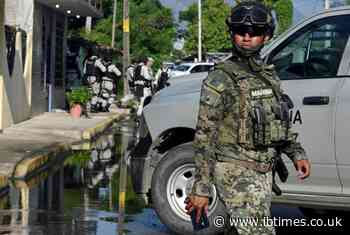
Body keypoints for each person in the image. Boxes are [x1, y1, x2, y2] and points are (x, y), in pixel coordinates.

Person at [185, 2, 311, 235]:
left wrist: (296, 153)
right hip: (235, 173)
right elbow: (205, 136)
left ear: (266, 36)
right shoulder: (220, 79)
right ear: (232, 33)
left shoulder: (267, 74)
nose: (246, 37)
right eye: (240, 31)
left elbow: (278, 120)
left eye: (254, 33)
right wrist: (201, 188)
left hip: (262, 173)